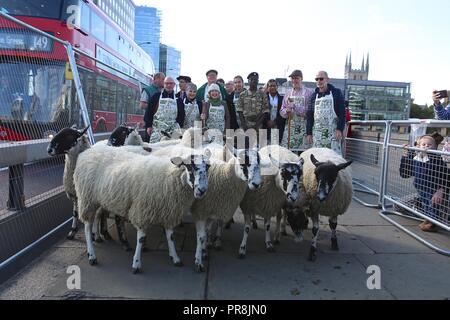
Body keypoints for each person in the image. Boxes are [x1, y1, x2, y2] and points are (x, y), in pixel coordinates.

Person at [400, 133, 450, 232]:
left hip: (432, 188)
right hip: (420, 187)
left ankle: (433, 222)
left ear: (435, 147)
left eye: (429, 145)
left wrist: (441, 189)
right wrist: (406, 154)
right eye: (423, 145)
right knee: (425, 203)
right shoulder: (418, 157)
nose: (426, 147)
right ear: (418, 146)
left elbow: (444, 174)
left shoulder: (435, 158)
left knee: (433, 204)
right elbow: (405, 173)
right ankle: (427, 218)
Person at [306, 71, 346, 155]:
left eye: (321, 78)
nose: (319, 81)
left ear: (327, 80)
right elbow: (310, 116)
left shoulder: (337, 93)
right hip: (317, 134)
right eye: (316, 79)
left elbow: (342, 113)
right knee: (318, 157)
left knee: (334, 159)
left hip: (333, 133)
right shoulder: (313, 96)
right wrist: (309, 133)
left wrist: (339, 129)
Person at [280, 70, 314, 150]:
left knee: (303, 154)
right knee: (289, 155)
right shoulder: (288, 93)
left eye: (296, 78)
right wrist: (286, 111)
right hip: (290, 129)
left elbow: (310, 111)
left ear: (301, 79)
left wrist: (296, 107)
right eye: (292, 78)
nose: (294, 80)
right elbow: (282, 109)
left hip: (304, 128)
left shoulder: (309, 93)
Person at [144, 76, 185, 142]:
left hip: (173, 132)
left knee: (171, 150)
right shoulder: (156, 96)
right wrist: (148, 126)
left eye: (171, 83)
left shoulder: (178, 100)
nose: (169, 85)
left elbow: (181, 117)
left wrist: (177, 132)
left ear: (174, 85)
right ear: (163, 84)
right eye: (166, 83)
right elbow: (149, 112)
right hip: (157, 131)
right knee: (155, 150)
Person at [140, 72, 165, 142]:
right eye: (162, 79)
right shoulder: (148, 90)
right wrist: (156, 107)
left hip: (161, 123)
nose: (164, 81)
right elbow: (142, 105)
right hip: (151, 122)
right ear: (156, 79)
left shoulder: (163, 91)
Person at [266, 79, 286, 144]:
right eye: (270, 86)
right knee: (264, 150)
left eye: (274, 86)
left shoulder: (282, 99)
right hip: (265, 126)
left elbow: (283, 113)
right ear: (267, 87)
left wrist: (275, 122)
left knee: (275, 150)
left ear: (277, 87)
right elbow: (260, 112)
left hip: (277, 126)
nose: (272, 88)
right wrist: (267, 121)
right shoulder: (263, 98)